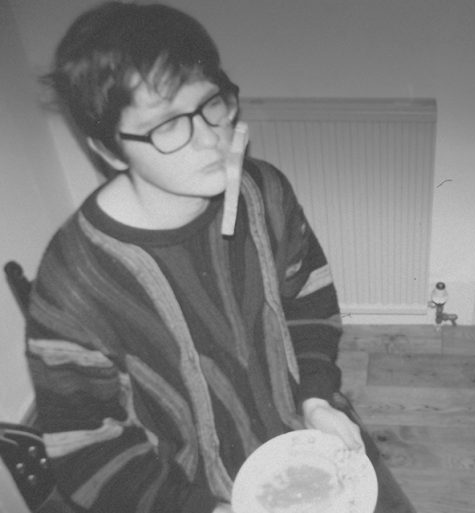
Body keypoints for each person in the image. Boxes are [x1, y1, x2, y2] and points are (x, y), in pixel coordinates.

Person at [26, 2, 415, 512]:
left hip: (303, 431)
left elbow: (309, 306)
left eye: (212, 103)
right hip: (176, 491)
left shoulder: (265, 193)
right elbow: (87, 454)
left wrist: (316, 398)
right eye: (168, 125)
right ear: (109, 151)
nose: (212, 137)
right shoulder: (74, 282)